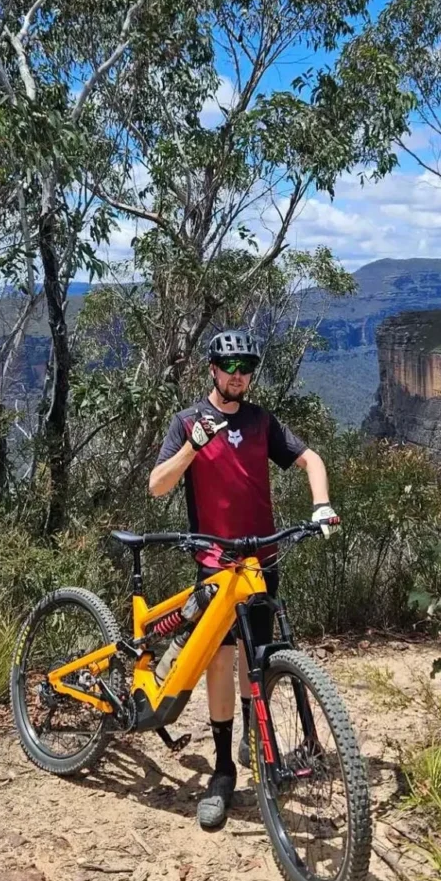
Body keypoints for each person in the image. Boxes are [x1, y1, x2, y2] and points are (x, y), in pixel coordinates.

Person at [148, 328, 339, 829]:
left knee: (256, 658)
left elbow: (310, 458)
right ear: (212, 369)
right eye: (229, 367)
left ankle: (258, 745)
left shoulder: (261, 422)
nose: (238, 376)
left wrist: (322, 505)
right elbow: (157, 485)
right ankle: (223, 771)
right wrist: (192, 447)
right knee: (221, 661)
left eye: (246, 367)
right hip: (216, 564)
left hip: (261, 562)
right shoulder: (187, 421)